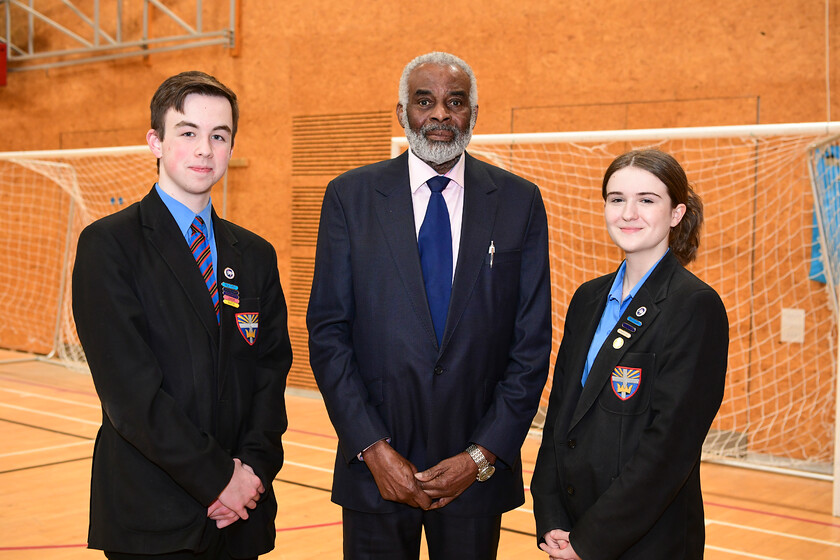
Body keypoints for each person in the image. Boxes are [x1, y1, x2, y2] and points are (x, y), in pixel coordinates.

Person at [306, 51, 552, 559]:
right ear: (402, 113)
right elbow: (328, 333)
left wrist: (481, 457)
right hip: (375, 469)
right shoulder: (350, 197)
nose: (440, 115)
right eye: (425, 101)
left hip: (474, 477)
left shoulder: (518, 201)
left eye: (454, 102)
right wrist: (372, 449)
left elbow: (531, 345)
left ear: (473, 116)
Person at [72, 71, 292, 559]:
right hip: (153, 516)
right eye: (188, 133)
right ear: (155, 140)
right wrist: (218, 480)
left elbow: (270, 375)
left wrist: (251, 473)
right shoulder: (109, 247)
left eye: (219, 136)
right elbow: (131, 395)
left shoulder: (255, 254)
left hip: (240, 517)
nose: (205, 150)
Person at [530, 149, 729, 559]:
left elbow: (668, 450)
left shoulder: (694, 306)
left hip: (645, 539)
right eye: (617, 199)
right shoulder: (587, 298)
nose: (628, 213)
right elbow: (561, 416)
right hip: (570, 527)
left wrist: (589, 542)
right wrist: (550, 513)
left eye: (647, 199)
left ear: (676, 213)